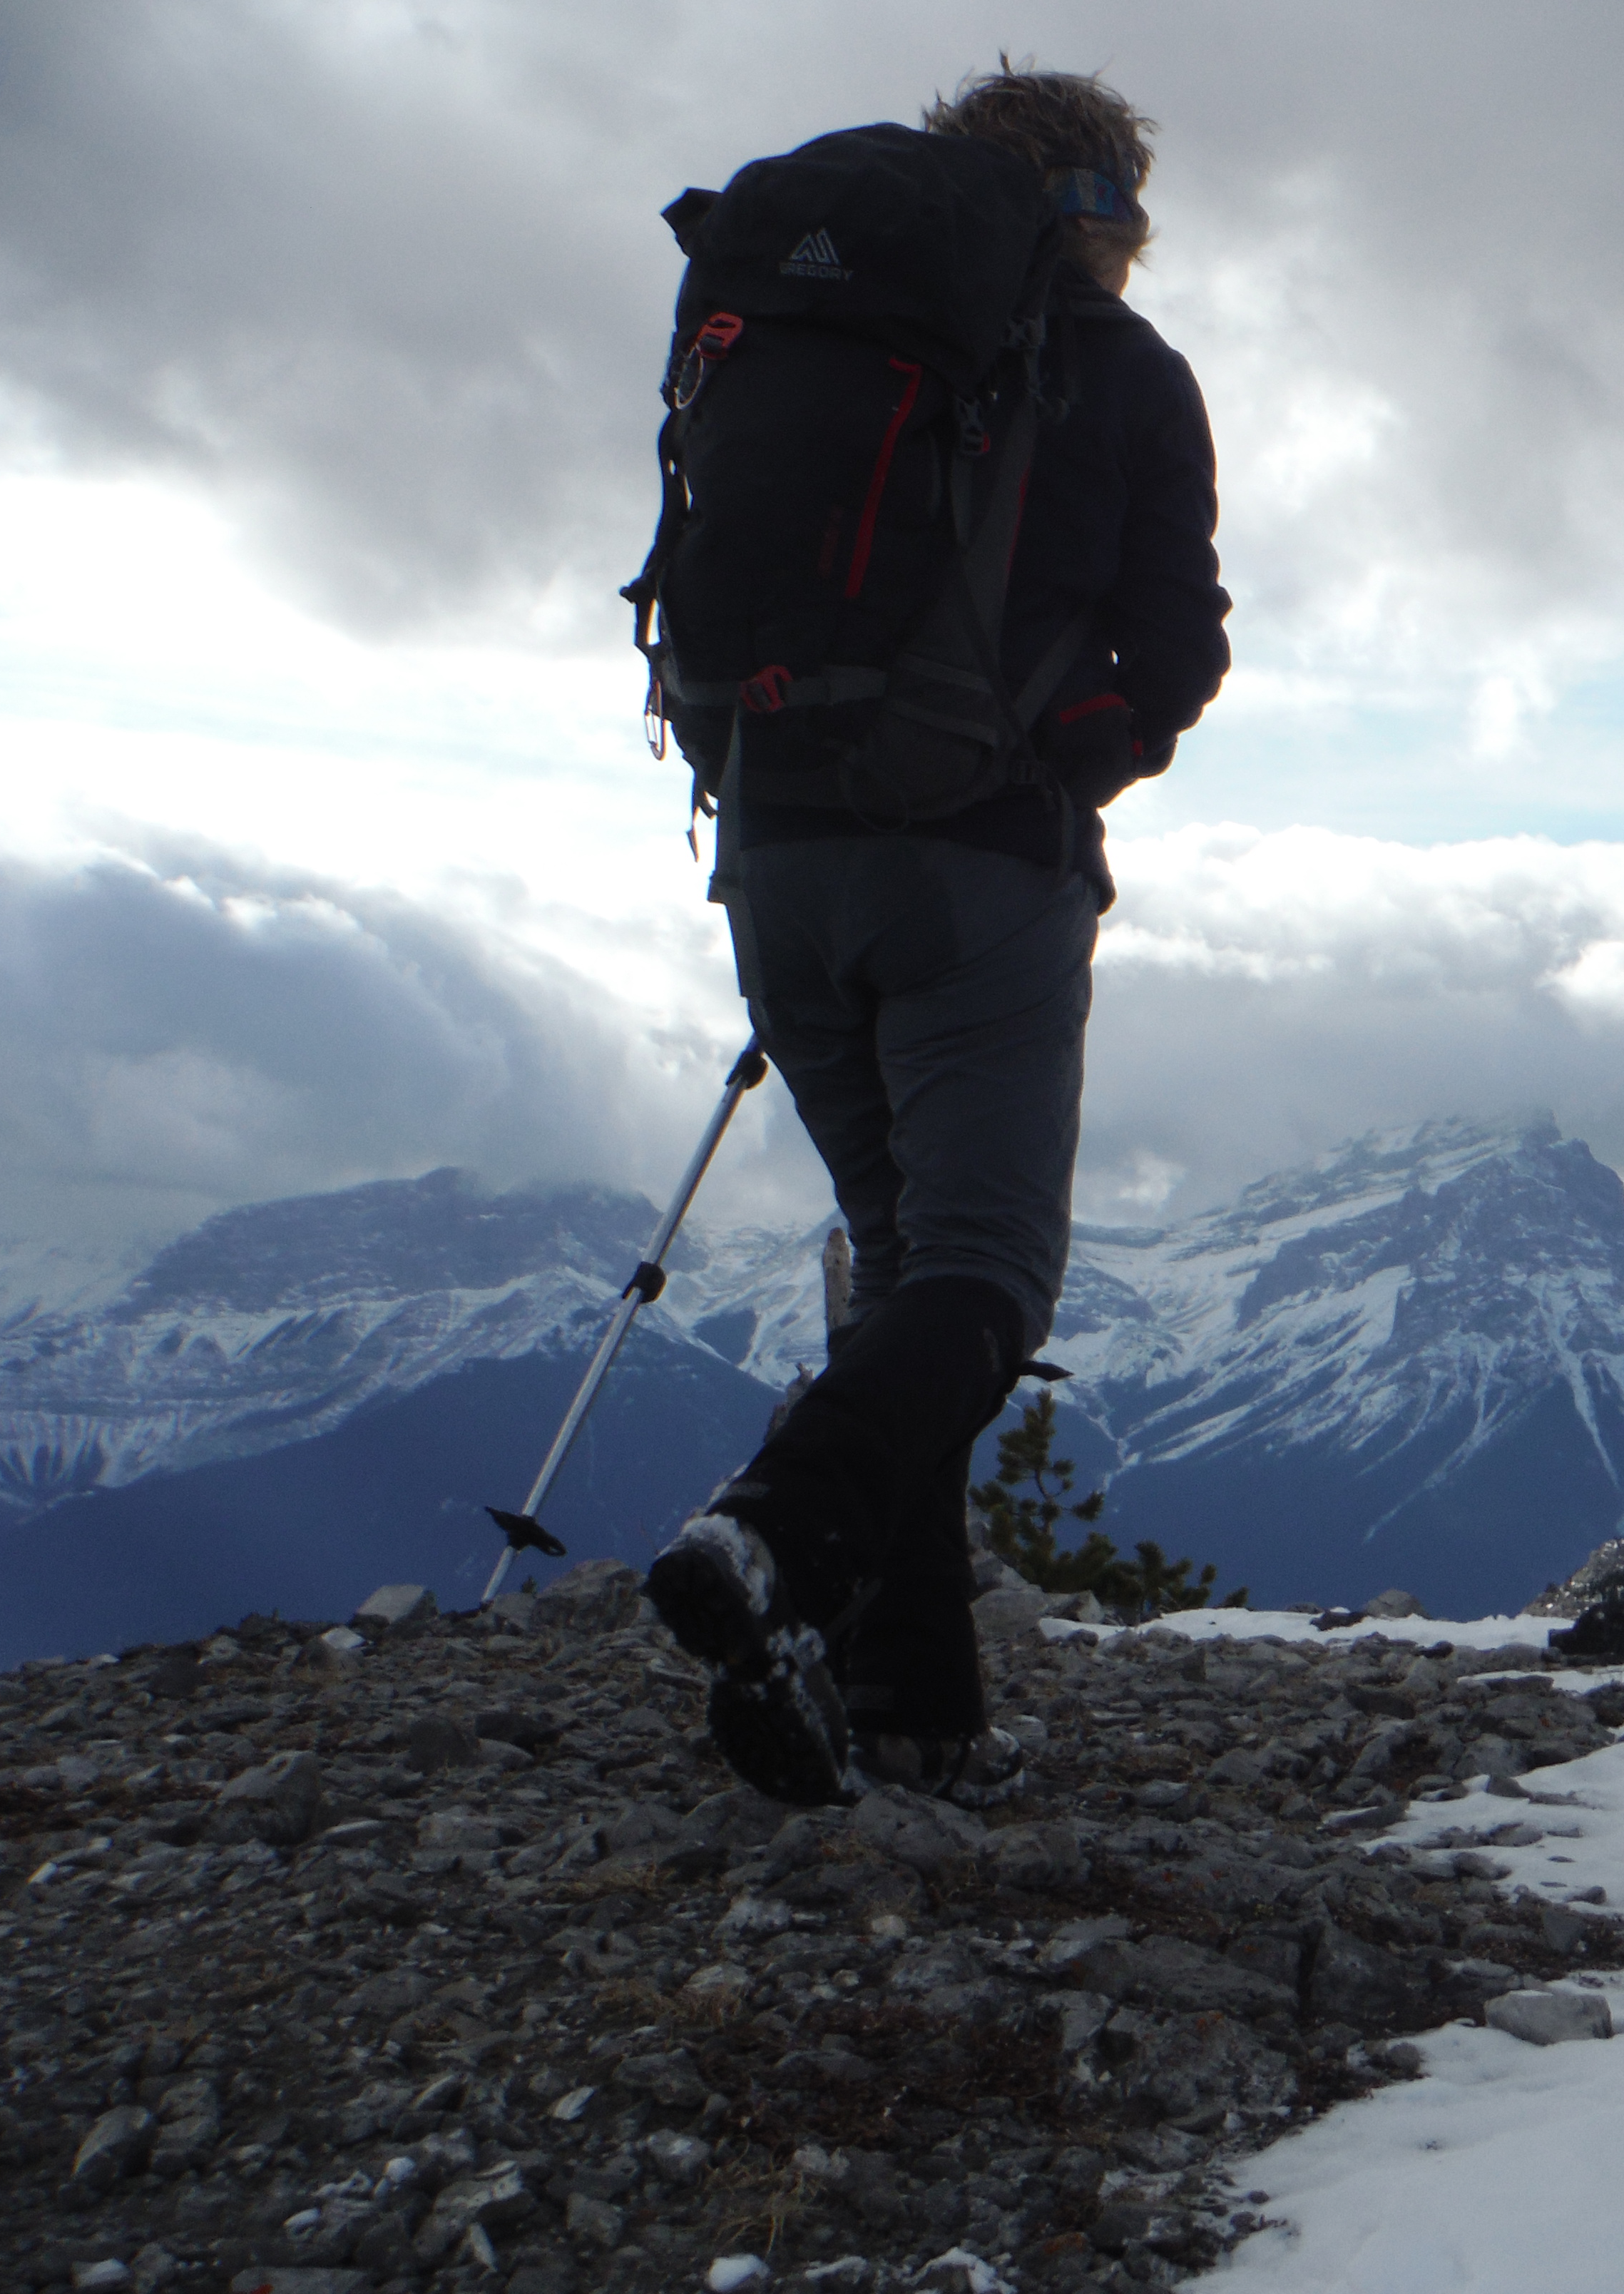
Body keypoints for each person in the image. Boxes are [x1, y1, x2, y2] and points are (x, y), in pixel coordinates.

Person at [645, 66, 1230, 1805]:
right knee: (981, 1277)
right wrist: (1070, 767)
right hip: (978, 870)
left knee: (898, 1264)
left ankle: (909, 1711)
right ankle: (779, 1536)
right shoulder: (1121, 372)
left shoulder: (795, 329)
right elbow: (1177, 653)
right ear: (1100, 214)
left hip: (772, 845)